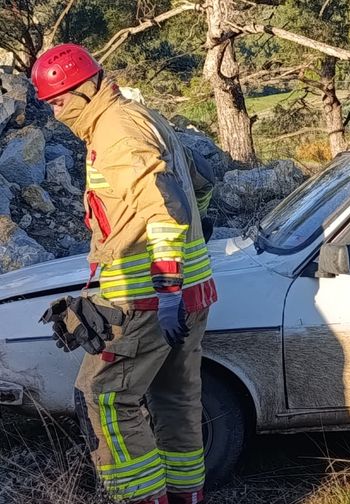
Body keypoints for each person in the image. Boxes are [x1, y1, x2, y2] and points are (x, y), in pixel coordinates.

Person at [31, 43, 217, 504]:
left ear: (85, 89)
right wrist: (184, 269)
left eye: (58, 102)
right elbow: (199, 185)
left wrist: (168, 283)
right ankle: (185, 496)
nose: (56, 116)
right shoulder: (142, 116)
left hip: (146, 298)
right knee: (176, 400)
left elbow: (162, 207)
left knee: (106, 400)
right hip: (189, 293)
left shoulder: (115, 130)